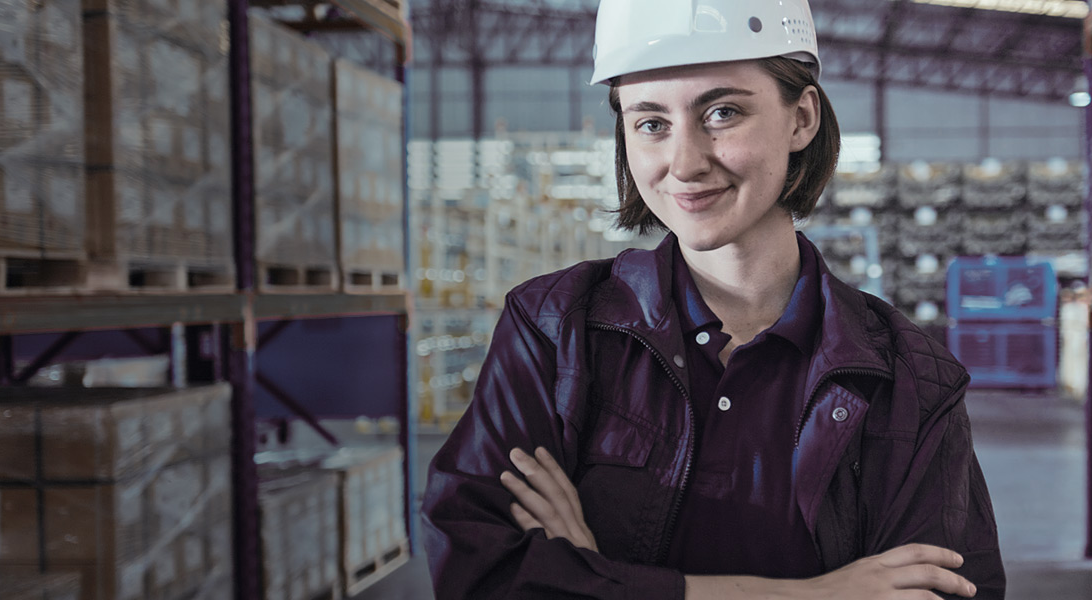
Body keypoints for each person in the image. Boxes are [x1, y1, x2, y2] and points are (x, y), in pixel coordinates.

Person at [422, 1, 1006, 597]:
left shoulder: (909, 379)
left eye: (722, 113)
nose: (685, 162)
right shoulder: (553, 329)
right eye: (651, 124)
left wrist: (593, 579)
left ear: (801, 118)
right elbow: (483, 575)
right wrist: (811, 595)